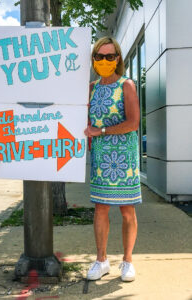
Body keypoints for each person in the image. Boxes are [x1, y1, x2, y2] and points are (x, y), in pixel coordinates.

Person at [84, 36, 142, 282]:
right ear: (94, 59)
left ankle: (127, 261)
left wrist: (102, 131)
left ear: (117, 58)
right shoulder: (91, 88)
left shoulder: (126, 85)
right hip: (100, 157)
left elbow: (133, 122)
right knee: (101, 209)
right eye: (100, 56)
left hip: (123, 157)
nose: (105, 60)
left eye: (110, 56)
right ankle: (101, 260)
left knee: (127, 210)